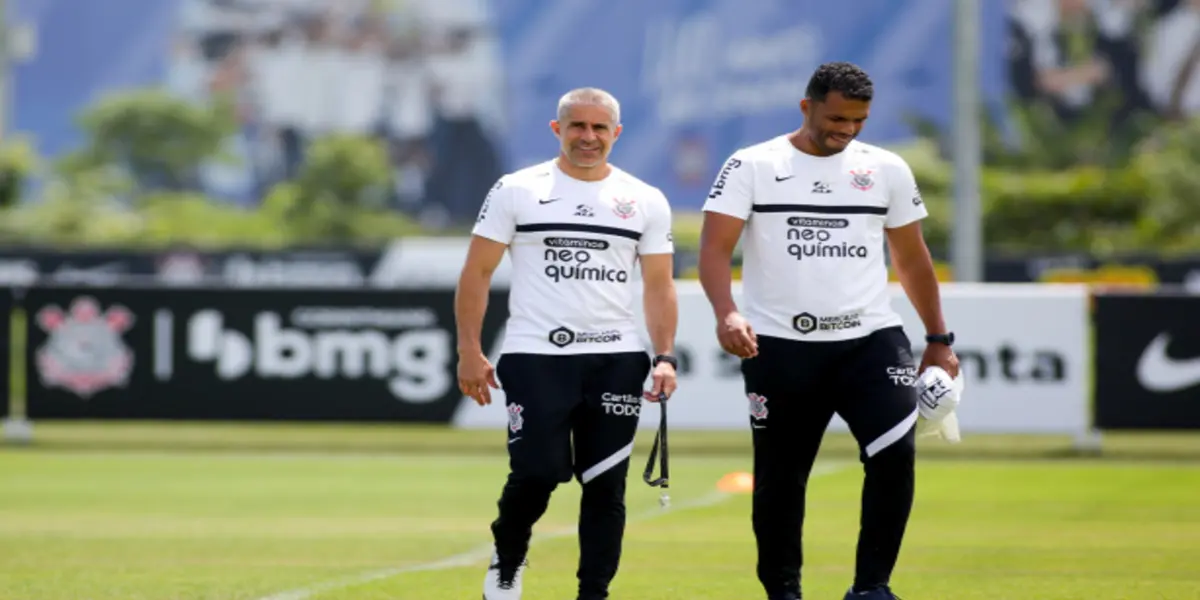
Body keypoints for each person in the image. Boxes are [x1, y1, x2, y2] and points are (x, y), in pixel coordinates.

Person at [697, 62, 960, 600]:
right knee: (780, 480)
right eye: (836, 118)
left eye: (859, 120)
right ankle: (784, 592)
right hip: (779, 347)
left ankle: (871, 588)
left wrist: (938, 339)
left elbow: (911, 259)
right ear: (806, 106)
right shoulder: (752, 164)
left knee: (894, 456)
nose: (846, 130)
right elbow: (714, 249)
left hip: (870, 340)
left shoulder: (886, 168)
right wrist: (726, 311)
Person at [454, 87, 680, 600]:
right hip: (536, 356)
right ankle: (507, 561)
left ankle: (593, 593)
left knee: (605, 486)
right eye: (577, 126)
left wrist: (664, 356)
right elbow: (477, 272)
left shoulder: (645, 199)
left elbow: (660, 286)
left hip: (616, 359)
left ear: (616, 134)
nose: (589, 137)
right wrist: (469, 348)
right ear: (557, 130)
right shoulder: (517, 189)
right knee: (535, 473)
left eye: (600, 128)